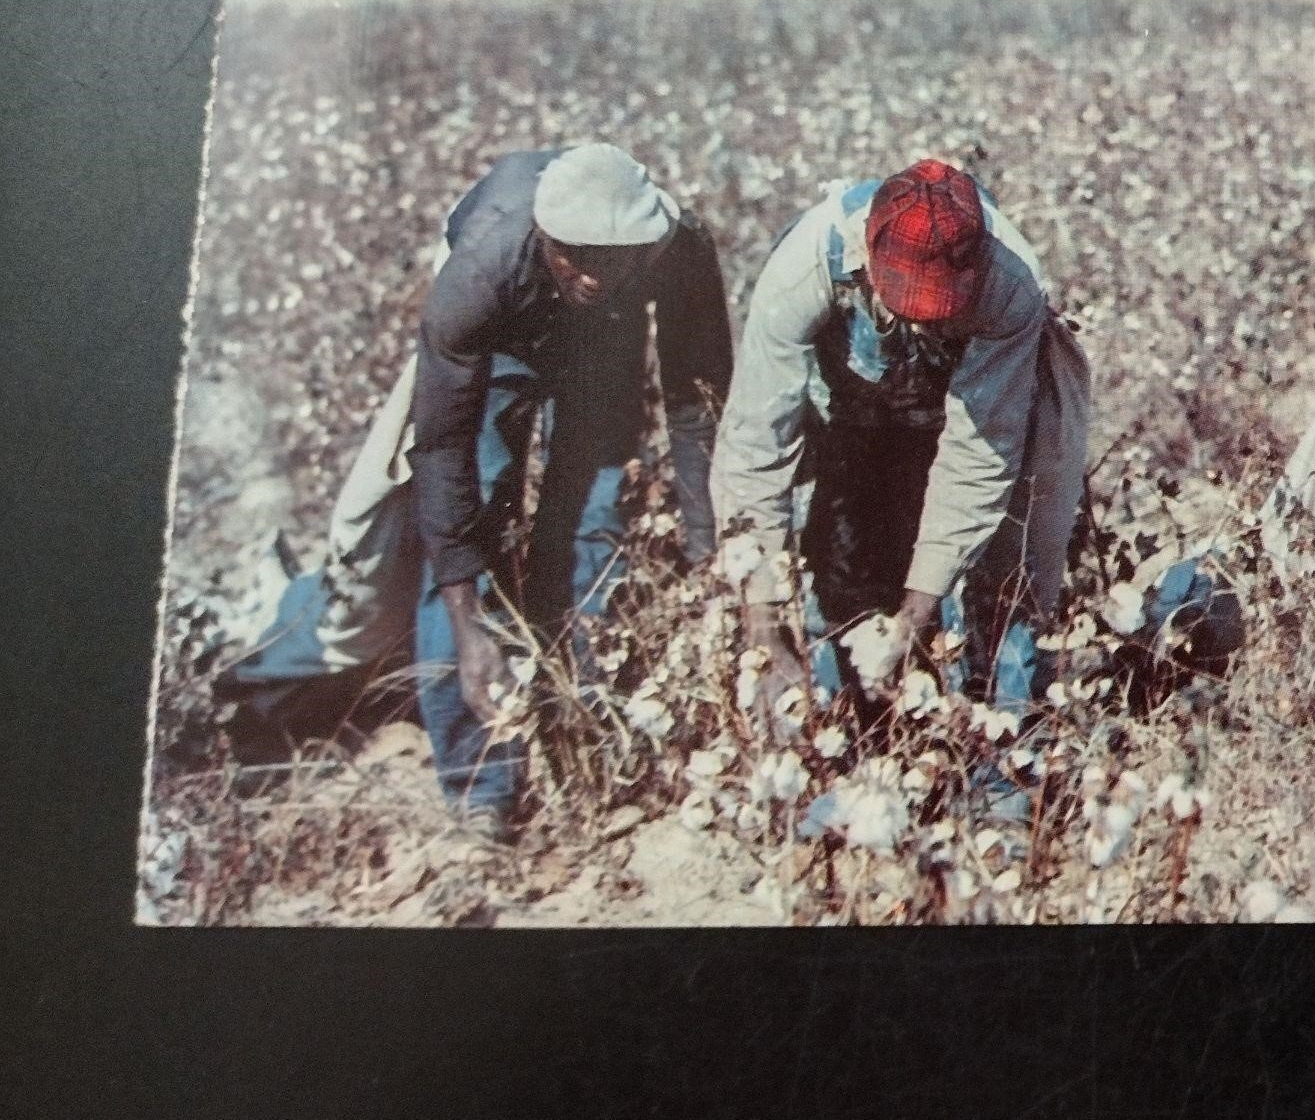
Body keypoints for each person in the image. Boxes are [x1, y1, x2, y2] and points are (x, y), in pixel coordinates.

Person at [228, 144, 733, 838]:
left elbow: (694, 400)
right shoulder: (480, 272)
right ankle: (480, 781)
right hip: (506, 334)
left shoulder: (676, 248)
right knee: (479, 522)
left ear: (645, 246)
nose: (589, 273)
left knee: (592, 519)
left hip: (605, 342)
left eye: (610, 258)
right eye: (573, 255)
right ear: (543, 237)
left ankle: (580, 724)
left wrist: (708, 544)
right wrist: (470, 626)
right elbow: (442, 454)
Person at [710, 159, 1089, 733]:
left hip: (964, 402)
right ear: (868, 258)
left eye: (937, 311)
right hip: (847, 394)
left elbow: (979, 455)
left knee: (1014, 576)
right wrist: (763, 622)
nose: (921, 323)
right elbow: (757, 444)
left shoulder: (1010, 288)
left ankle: (1009, 735)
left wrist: (917, 610)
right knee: (824, 556)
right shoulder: (805, 267)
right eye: (906, 305)